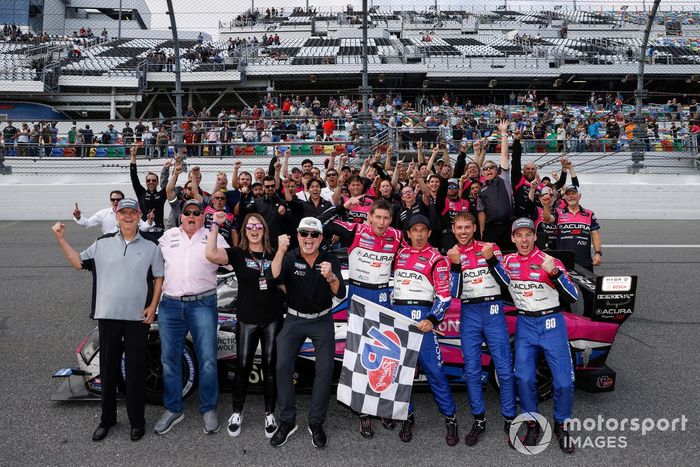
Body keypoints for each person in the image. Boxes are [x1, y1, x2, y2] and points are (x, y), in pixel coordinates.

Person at [52, 198, 164, 442]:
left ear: (138, 216)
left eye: (132, 213)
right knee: (108, 371)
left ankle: (137, 421)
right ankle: (107, 420)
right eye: (123, 212)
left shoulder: (151, 247)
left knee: (135, 372)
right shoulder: (101, 244)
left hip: (137, 319)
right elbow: (77, 263)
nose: (127, 216)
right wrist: (60, 239)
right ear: (117, 216)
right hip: (108, 316)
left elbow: (158, 277)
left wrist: (153, 306)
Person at [319, 198, 402, 437]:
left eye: (386, 218)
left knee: (386, 356)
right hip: (359, 296)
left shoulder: (396, 236)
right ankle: (364, 412)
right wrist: (343, 207)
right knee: (361, 355)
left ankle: (384, 408)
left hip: (384, 297)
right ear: (369, 217)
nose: (382, 222)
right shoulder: (355, 230)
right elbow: (321, 224)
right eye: (378, 217)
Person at [501, 217, 579, 454]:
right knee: (524, 379)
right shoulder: (507, 261)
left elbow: (573, 295)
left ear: (535, 236)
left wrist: (554, 273)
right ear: (513, 238)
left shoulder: (548, 260)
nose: (524, 240)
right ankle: (533, 424)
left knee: (564, 381)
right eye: (519, 235)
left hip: (552, 323)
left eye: (528, 235)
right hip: (525, 324)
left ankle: (561, 425)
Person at [266, 218, 346, 448]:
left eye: (314, 234)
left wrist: (331, 277)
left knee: (324, 369)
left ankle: (316, 422)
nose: (308, 238)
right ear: (297, 235)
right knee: (282, 367)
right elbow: (272, 277)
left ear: (321, 238)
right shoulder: (290, 256)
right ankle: (287, 420)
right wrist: (280, 250)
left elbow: (340, 292)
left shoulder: (329, 259)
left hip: (322, 320)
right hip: (294, 319)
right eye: (304, 233)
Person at [205, 213, 284, 439]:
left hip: (272, 318)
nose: (254, 229)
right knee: (242, 366)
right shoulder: (237, 253)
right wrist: (215, 225)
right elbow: (210, 254)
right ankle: (236, 412)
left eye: (258, 225)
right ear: (245, 231)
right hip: (247, 318)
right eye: (250, 226)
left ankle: (269, 413)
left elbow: (278, 277)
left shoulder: (273, 251)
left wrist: (280, 252)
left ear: (264, 229)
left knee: (270, 366)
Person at [154, 200, 229, 436]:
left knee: (207, 359)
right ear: (181, 216)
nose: (192, 216)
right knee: (169, 359)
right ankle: (174, 409)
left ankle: (208, 408)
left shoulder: (211, 235)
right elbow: (153, 267)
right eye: (188, 212)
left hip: (203, 304)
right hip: (170, 305)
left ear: (202, 217)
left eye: (197, 213)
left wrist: (216, 228)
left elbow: (226, 260)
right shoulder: (167, 237)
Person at [447, 212, 516, 447]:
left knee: (505, 369)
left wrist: (492, 260)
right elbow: (453, 294)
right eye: (459, 228)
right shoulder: (452, 254)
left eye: (467, 227)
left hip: (494, 310)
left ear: (474, 228)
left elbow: (506, 282)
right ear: (454, 230)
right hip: (470, 313)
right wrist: (456, 266)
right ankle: (479, 419)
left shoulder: (491, 247)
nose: (464, 231)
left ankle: (510, 418)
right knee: (472, 371)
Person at [391, 215, 459, 445]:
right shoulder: (400, 254)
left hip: (423, 323)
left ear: (429, 233)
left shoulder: (437, 259)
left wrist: (432, 319)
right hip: (400, 320)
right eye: (414, 230)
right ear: (408, 233)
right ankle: (406, 414)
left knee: (435, 372)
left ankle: (450, 417)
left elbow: (444, 296)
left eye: (423, 230)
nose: (418, 235)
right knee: (402, 374)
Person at [544, 185, 602, 272]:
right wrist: (545, 205)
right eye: (568, 194)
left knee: (587, 285)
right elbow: (547, 219)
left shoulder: (589, 214)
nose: (571, 197)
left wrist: (598, 253)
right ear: (565, 197)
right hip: (563, 263)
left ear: (579, 196)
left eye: (573, 193)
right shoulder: (559, 212)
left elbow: (595, 234)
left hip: (584, 261)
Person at [477, 120, 514, 251]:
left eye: (491, 167)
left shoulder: (503, 178)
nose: (488, 170)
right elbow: (481, 212)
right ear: (483, 173)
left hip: (508, 226)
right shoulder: (481, 190)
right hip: (491, 228)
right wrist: (482, 231)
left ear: (496, 169)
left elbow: (504, 155)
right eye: (485, 169)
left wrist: (503, 133)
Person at [130, 145, 170, 234]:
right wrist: (133, 157)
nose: (151, 182)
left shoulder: (162, 194)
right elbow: (134, 177)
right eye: (148, 180)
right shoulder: (141, 193)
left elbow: (170, 184)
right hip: (144, 230)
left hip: (159, 232)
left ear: (157, 182)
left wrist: (169, 169)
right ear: (146, 182)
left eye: (154, 180)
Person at [73, 190, 152, 234]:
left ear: (123, 201)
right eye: (113, 199)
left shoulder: (130, 214)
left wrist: (149, 220)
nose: (115, 201)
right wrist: (78, 217)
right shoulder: (103, 213)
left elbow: (144, 228)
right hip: (108, 245)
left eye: (118, 200)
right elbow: (87, 224)